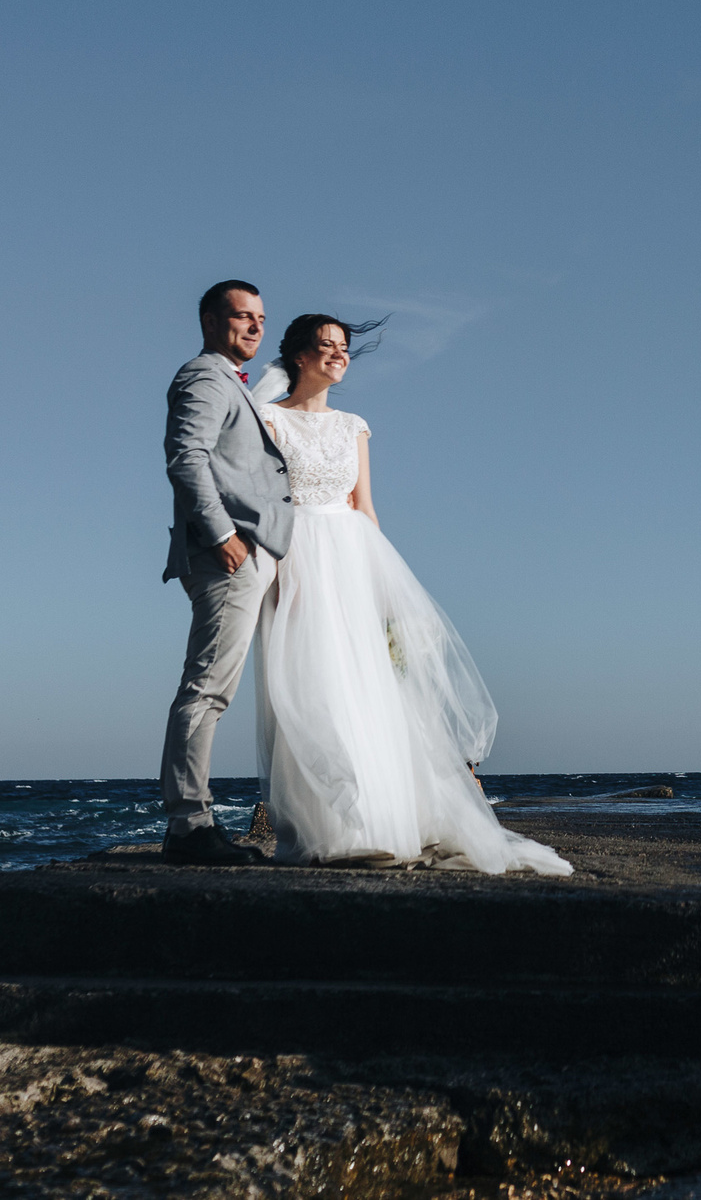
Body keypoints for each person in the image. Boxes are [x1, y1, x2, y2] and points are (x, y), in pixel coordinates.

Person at [248, 313, 570, 874]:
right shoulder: (268, 421)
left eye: (344, 348)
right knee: (311, 684)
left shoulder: (354, 426)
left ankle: (382, 823)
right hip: (297, 554)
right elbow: (262, 502)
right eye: (325, 347)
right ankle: (330, 828)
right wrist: (273, 571)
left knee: (367, 688)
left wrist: (386, 589)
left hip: (351, 558)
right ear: (298, 355)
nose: (338, 356)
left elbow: (364, 508)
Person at [156, 280, 291, 866]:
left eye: (261, 318)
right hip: (226, 555)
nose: (256, 326)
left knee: (216, 690)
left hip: (245, 552)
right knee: (207, 688)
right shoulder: (205, 377)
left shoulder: (231, 381)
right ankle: (188, 827)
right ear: (211, 322)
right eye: (243, 317)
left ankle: (194, 821)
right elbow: (186, 458)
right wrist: (225, 537)